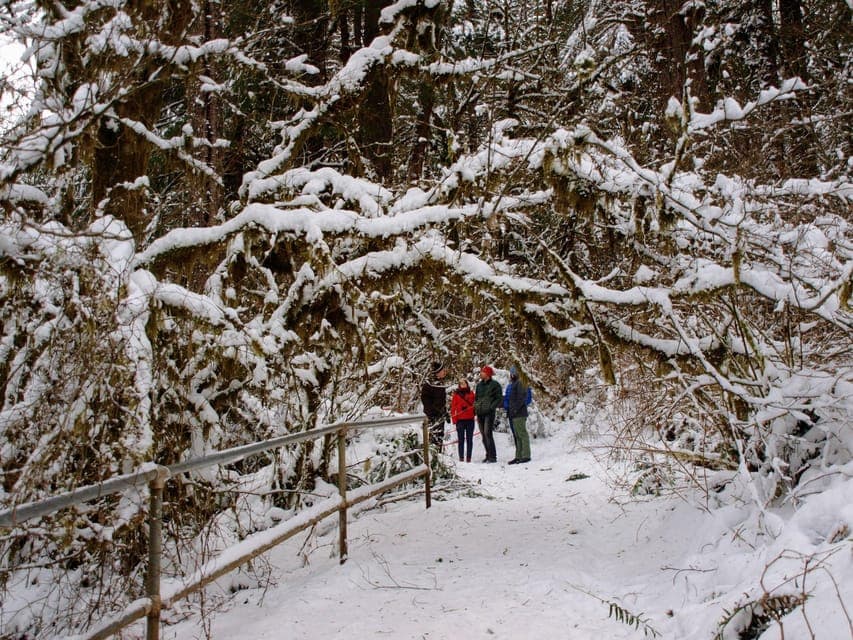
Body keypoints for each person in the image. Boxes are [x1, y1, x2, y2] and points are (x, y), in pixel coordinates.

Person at [474, 365, 502, 463]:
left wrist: (491, 407)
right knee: (483, 435)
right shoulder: (479, 385)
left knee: (487, 433)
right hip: (480, 412)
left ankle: (492, 456)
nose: (481, 373)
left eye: (483, 372)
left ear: (488, 374)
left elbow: (499, 398)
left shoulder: (495, 385)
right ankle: (488, 454)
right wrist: (476, 408)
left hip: (489, 413)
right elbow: (476, 398)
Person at [506, 365, 531, 464]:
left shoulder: (520, 383)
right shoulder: (513, 384)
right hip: (514, 413)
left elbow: (521, 398)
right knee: (517, 435)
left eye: (513, 373)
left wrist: (515, 409)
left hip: (519, 413)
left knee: (522, 434)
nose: (511, 375)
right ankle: (518, 455)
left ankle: (526, 455)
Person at [421, 361, 448, 448]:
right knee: (433, 437)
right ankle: (433, 456)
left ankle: (439, 455)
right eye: (443, 370)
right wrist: (432, 413)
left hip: (440, 416)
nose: (444, 372)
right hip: (432, 416)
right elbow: (426, 401)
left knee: (440, 437)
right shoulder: (428, 385)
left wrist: (445, 412)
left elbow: (441, 401)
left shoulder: (441, 384)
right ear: (437, 372)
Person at [450, 378, 476, 462]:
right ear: (459, 385)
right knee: (460, 440)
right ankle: (461, 457)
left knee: (469, 439)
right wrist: (454, 419)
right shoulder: (456, 395)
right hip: (460, 420)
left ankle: (469, 458)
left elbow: (475, 404)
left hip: (470, 419)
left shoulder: (471, 393)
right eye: (461, 383)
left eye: (464, 383)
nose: (463, 385)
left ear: (467, 384)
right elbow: (453, 408)